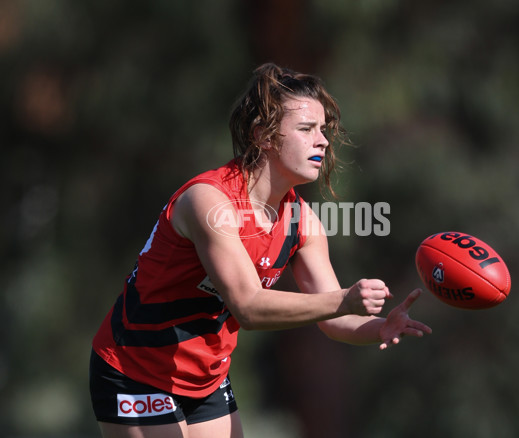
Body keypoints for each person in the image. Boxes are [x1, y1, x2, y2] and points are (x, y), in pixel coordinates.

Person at [89, 63, 432, 438]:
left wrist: (381, 327)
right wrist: (346, 299)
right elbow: (248, 306)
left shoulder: (305, 223)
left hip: (206, 377)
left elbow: (334, 318)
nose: (323, 141)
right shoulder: (209, 202)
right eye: (306, 129)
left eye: (323, 130)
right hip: (135, 366)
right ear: (263, 136)